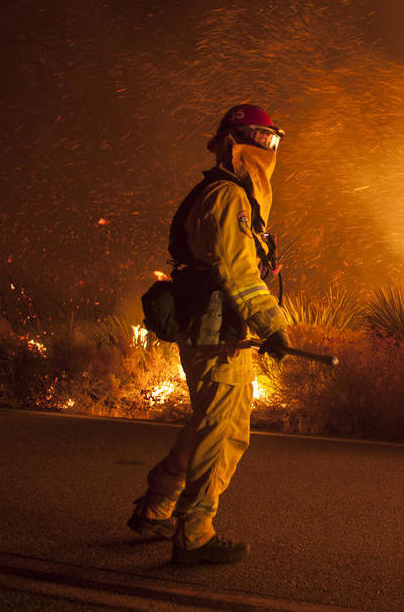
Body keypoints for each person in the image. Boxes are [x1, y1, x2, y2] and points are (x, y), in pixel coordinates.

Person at [128, 104, 291, 565]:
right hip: (218, 335)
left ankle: (157, 507)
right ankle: (194, 534)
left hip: (215, 330)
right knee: (224, 433)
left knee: (205, 425)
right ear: (232, 143)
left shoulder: (233, 196)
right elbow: (237, 273)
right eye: (260, 139)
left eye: (273, 140)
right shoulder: (227, 198)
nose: (269, 150)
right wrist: (273, 326)